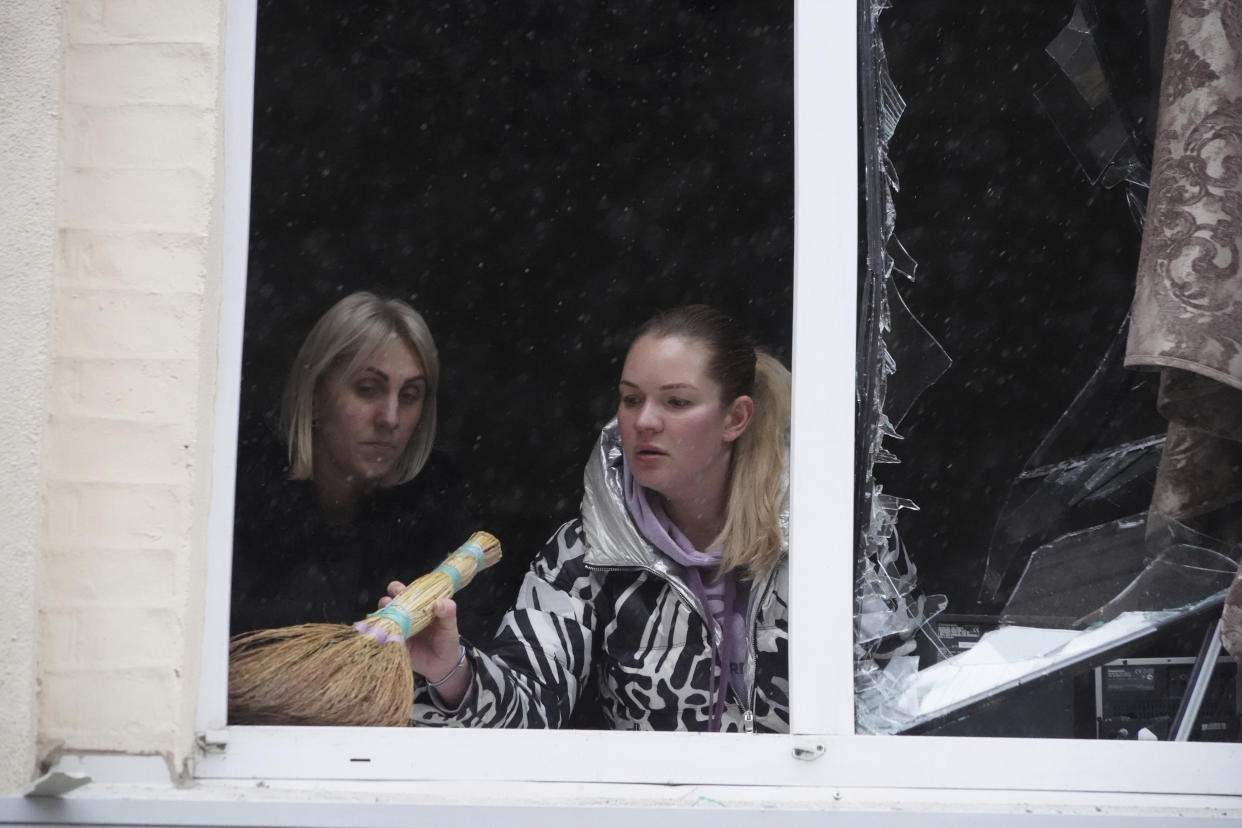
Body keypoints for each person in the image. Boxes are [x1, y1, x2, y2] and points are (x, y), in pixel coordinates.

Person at [385, 304, 791, 732]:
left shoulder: (821, 541)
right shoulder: (588, 550)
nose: (644, 421)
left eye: (676, 401)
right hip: (656, 799)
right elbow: (528, 712)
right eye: (631, 399)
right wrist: (452, 671)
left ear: (735, 418)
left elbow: (867, 704)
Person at [230, 292, 497, 643]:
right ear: (314, 396)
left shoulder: (436, 514)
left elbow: (476, 662)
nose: (390, 418)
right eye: (368, 389)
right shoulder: (239, 501)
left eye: (410, 395)